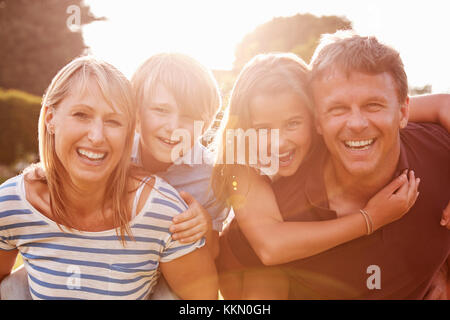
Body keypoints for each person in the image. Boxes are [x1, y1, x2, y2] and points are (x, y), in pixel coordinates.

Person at [212, 50, 449, 299]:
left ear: (316, 117)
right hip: (248, 267)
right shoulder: (242, 163)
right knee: (270, 276)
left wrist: (438, 266)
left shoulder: (339, 128)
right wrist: (370, 218)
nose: (279, 142)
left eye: (293, 123)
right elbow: (271, 247)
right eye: (262, 129)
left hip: (304, 262)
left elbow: (442, 104)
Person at [0, 56, 218, 300]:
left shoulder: (202, 180)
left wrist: (204, 226)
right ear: (137, 120)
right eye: (81, 115)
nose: (96, 136)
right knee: (13, 289)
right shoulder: (14, 201)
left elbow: (208, 278)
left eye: (113, 121)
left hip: (166, 267)